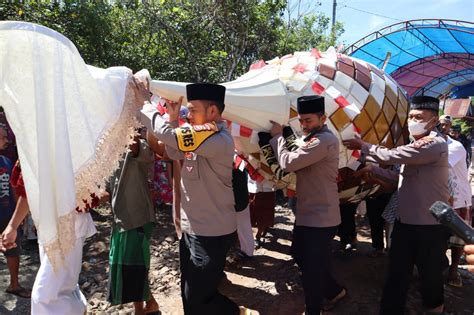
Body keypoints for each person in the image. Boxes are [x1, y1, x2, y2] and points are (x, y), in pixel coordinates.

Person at [136, 79, 255, 315]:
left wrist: (144, 104)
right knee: (188, 293)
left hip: (212, 231)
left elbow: (173, 139)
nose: (188, 115)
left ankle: (237, 313)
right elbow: (173, 150)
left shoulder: (219, 139)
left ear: (212, 111)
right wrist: (171, 119)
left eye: (192, 110)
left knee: (199, 296)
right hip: (192, 228)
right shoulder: (200, 136)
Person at [343, 95, 449, 314]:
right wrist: (374, 172)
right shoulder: (415, 145)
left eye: (419, 117)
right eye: (410, 116)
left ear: (434, 120)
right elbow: (398, 179)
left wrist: (363, 145)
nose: (413, 121)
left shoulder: (433, 144)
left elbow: (391, 156)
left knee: (430, 277)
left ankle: (435, 309)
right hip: (405, 223)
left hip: (429, 227)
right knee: (397, 274)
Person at [268, 95, 346, 314]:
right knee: (299, 254)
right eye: (301, 120)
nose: (303, 125)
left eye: (308, 120)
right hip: (308, 213)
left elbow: (288, 162)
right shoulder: (313, 137)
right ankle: (334, 291)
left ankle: (314, 309)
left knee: (312, 270)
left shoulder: (324, 140)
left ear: (323, 118)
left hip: (322, 217)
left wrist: (277, 137)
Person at [1, 160, 96, 315]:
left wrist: (13, 225)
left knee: (44, 297)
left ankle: (79, 308)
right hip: (52, 225)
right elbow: (29, 187)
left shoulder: (51, 140)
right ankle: (79, 307)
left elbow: (29, 186)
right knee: (61, 288)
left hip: (68, 224)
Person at [104, 132, 160, 315]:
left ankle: (140, 310)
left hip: (137, 217)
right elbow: (107, 192)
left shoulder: (139, 145)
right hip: (120, 219)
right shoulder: (107, 154)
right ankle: (150, 303)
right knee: (128, 265)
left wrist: (125, 117)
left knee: (135, 265)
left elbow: (135, 147)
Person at [439, 115, 472, 287]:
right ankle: (440, 266)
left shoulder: (455, 147)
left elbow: (437, 164)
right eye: (439, 124)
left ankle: (453, 270)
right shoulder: (434, 144)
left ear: (450, 126)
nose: (441, 127)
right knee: (440, 236)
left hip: (459, 200)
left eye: (444, 125)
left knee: (458, 239)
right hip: (442, 198)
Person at [0, 127, 30, 298]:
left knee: (13, 250)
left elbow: (14, 188)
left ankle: (14, 284)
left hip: (7, 213)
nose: (7, 141)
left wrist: (18, 215)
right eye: (3, 137)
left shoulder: (6, 160)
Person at [247, 169, 276, 248]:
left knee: (264, 215)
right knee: (252, 215)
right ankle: (256, 235)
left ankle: (258, 236)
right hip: (253, 188)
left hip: (268, 189)